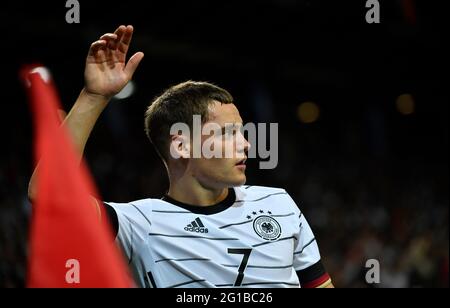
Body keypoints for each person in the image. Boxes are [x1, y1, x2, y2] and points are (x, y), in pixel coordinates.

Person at [28, 25, 333, 288]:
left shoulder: (278, 204)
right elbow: (48, 195)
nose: (246, 145)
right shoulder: (140, 224)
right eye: (227, 133)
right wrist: (93, 97)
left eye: (242, 133)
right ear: (182, 146)